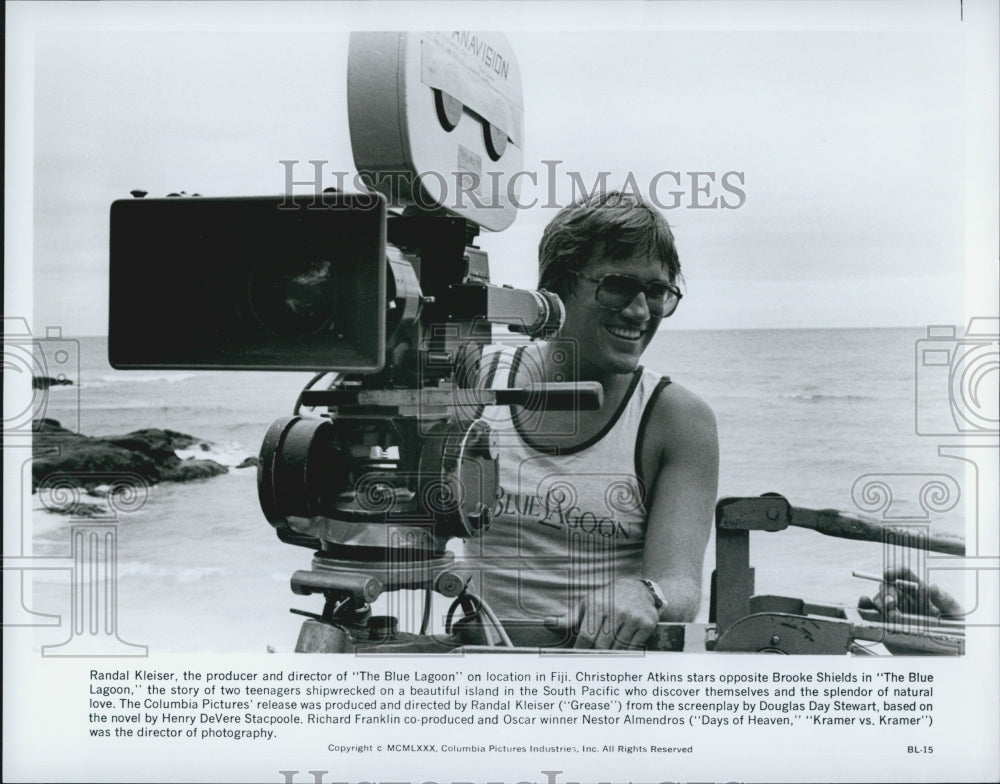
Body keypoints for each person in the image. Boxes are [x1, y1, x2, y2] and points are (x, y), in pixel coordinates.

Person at [469, 190, 719, 650]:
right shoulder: (484, 382)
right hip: (476, 662)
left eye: (657, 291)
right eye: (618, 286)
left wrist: (645, 594)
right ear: (557, 288)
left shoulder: (676, 419)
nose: (640, 311)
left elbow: (680, 586)